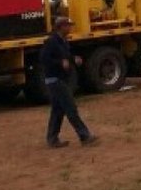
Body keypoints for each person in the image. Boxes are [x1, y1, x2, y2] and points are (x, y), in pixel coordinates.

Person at [40, 17, 99, 148]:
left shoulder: (63, 42)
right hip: (55, 80)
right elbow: (44, 60)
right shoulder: (51, 42)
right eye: (68, 25)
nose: (70, 28)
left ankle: (52, 139)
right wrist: (60, 63)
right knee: (70, 107)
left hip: (60, 80)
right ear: (61, 27)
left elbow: (65, 57)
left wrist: (73, 59)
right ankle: (84, 136)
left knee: (58, 110)